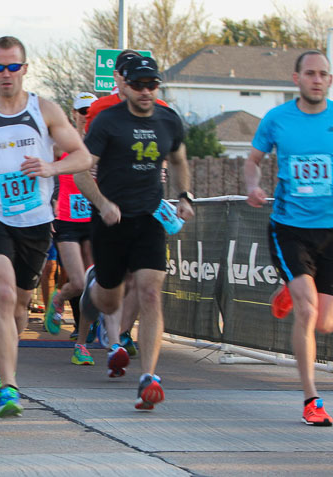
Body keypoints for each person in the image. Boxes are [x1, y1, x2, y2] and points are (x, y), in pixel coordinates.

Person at [0, 36, 92, 418]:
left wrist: (51, 167)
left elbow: (82, 156)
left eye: (12, 66)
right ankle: (8, 384)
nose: (6, 74)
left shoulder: (45, 110)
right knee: (4, 293)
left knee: (21, 304)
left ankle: (6, 364)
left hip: (36, 220)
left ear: (25, 69)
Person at [75, 56, 193, 411]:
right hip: (111, 221)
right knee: (109, 300)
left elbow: (179, 159)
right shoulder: (107, 120)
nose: (145, 91)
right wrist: (102, 203)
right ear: (124, 86)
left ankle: (149, 378)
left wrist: (184, 196)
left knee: (151, 293)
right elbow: (81, 171)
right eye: (138, 85)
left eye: (151, 84)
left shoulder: (168, 119)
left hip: (150, 218)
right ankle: (95, 287)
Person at [244, 51, 333, 426]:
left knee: (325, 323)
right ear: (296, 78)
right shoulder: (277, 118)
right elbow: (252, 160)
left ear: (329, 80)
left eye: (323, 74)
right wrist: (253, 186)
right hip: (290, 227)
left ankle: (289, 290)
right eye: (310, 73)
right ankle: (312, 400)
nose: (317, 80)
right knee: (307, 311)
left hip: (330, 231)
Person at [45, 91, 98, 367]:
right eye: (83, 111)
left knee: (92, 283)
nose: (87, 116)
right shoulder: (61, 143)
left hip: (93, 219)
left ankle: (81, 344)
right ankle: (59, 297)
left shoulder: (101, 142)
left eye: (92, 110)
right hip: (66, 220)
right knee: (77, 282)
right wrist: (51, 202)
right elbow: (49, 172)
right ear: (74, 114)